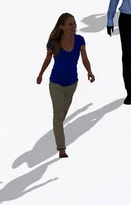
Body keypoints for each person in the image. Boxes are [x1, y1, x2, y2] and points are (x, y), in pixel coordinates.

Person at [36, 13, 95, 158]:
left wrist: (89, 72)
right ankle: (61, 148)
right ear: (61, 27)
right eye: (70, 24)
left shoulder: (80, 40)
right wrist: (40, 74)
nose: (74, 26)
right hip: (55, 83)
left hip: (72, 84)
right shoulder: (54, 42)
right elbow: (47, 59)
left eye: (74, 23)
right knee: (58, 116)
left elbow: (85, 59)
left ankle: (57, 135)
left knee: (61, 116)